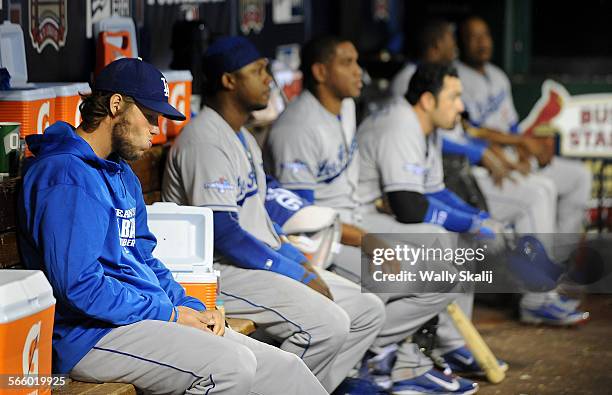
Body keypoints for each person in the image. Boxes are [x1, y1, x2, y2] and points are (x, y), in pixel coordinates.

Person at [17, 57, 327, 395]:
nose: (156, 128)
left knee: (286, 370)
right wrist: (170, 313)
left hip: (140, 318)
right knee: (230, 367)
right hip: (89, 335)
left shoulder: (120, 172)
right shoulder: (66, 175)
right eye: (149, 116)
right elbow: (80, 288)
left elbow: (146, 261)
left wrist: (192, 307)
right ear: (116, 105)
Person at [162, 36, 386, 393]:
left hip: (255, 262)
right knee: (327, 325)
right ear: (229, 80)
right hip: (219, 271)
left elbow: (263, 222)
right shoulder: (205, 140)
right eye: (258, 71)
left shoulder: (243, 137)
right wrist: (291, 270)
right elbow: (224, 233)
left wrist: (301, 263)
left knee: (366, 309)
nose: (269, 79)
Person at [267, 36, 479, 395]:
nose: (358, 71)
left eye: (356, 61)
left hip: (355, 220)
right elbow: (302, 221)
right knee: (433, 277)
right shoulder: (296, 127)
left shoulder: (346, 107)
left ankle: (397, 357)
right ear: (320, 71)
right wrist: (368, 241)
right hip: (323, 243)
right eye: (347, 62)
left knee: (446, 253)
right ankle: (373, 359)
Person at [456, 16, 591, 324]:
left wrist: (526, 150)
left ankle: (553, 270)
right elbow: (469, 132)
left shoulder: (498, 76)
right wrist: (517, 147)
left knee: (578, 177)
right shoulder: (456, 78)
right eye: (473, 37)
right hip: (486, 166)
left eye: (485, 35)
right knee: (541, 191)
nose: (482, 42)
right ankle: (537, 296)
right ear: (460, 42)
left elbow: (513, 125)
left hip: (512, 159)